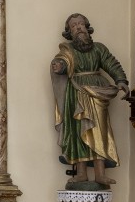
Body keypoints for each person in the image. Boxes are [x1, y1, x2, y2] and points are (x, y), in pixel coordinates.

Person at [51, 12, 129, 188]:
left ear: (87, 27)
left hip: (97, 93)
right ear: (69, 32)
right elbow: (63, 61)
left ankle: (100, 174)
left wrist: (121, 80)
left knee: (99, 131)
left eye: (80, 24)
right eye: (73, 26)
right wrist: (59, 66)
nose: (78, 27)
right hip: (76, 94)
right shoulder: (68, 50)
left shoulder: (99, 48)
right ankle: (81, 174)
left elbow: (111, 63)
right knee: (78, 133)